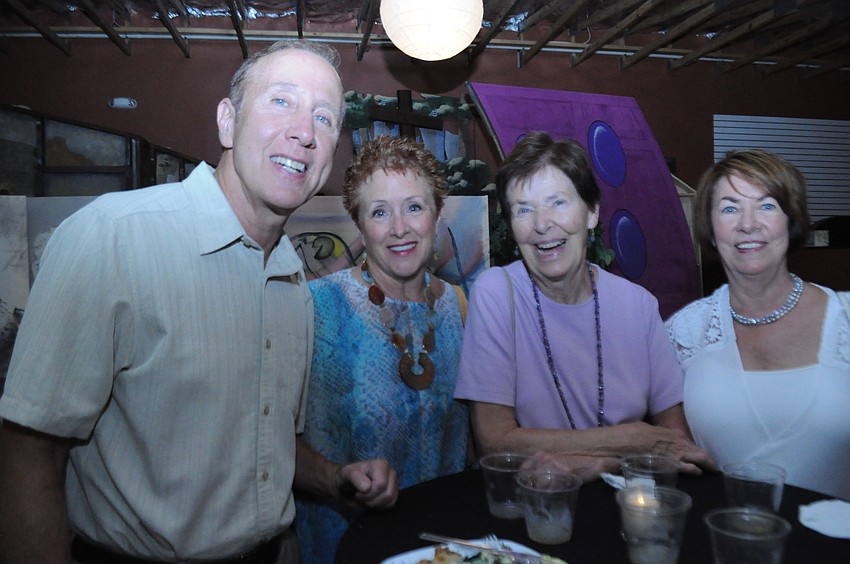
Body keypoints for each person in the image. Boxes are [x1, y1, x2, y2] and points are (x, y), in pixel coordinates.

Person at [0, 39, 397, 564]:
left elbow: (265, 440)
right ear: (227, 122)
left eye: (325, 117)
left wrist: (334, 478)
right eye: (281, 101)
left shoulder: (290, 278)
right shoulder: (112, 238)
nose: (305, 131)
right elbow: (28, 452)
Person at [454, 132, 714, 480]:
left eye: (557, 202)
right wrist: (630, 439)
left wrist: (597, 465)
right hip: (536, 505)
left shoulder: (638, 305)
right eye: (524, 209)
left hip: (629, 504)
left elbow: (676, 444)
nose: (542, 224)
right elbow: (495, 443)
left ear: (591, 212)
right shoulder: (497, 293)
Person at [294, 135, 469, 563]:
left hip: (441, 546)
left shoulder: (461, 306)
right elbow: (270, 443)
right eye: (379, 212)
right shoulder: (314, 307)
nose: (399, 229)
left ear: (437, 213)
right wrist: (336, 478)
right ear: (359, 224)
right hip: (345, 546)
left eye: (414, 206)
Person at [666, 149, 850, 500]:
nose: (747, 224)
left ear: (790, 221)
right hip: (721, 540)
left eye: (766, 205)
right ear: (710, 226)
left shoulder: (846, 319)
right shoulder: (682, 333)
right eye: (730, 208)